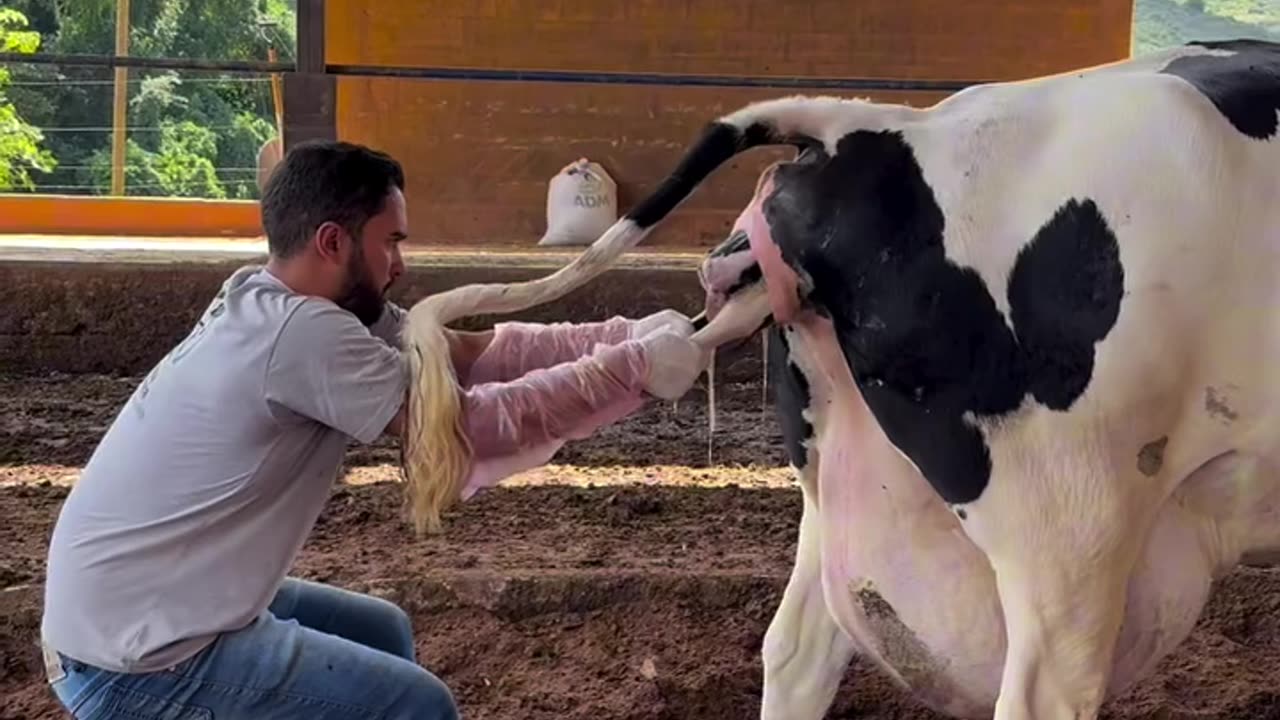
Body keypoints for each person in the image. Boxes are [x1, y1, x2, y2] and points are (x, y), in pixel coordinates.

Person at [40, 140, 710, 719]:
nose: (401, 263)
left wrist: (622, 336)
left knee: (382, 631)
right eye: (390, 240)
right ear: (333, 241)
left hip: (139, 611)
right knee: (417, 707)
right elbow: (469, 425)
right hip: (142, 662)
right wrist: (630, 371)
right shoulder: (302, 334)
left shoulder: (278, 298)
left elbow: (468, 354)